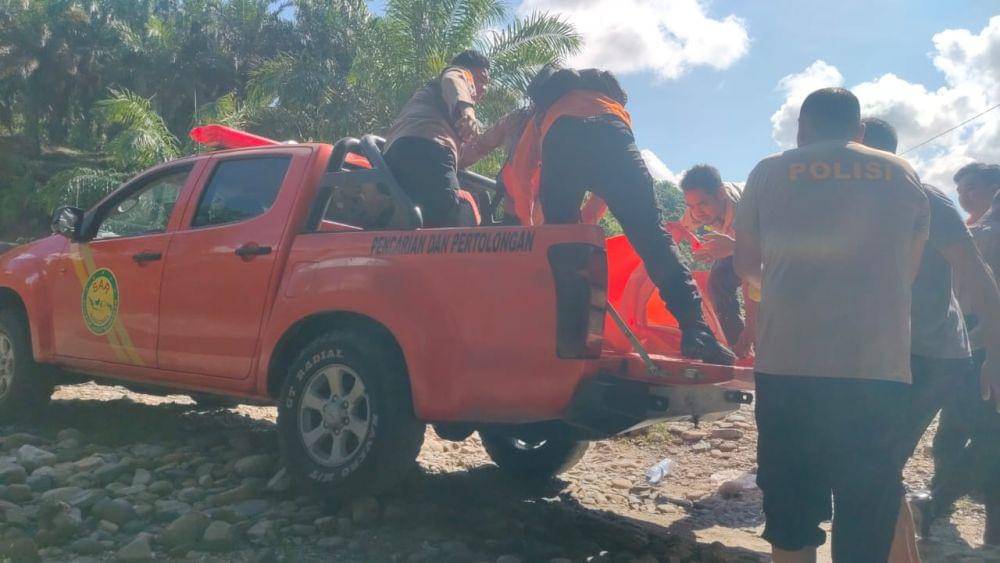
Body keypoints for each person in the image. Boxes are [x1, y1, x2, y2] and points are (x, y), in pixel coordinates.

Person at [734, 88, 930, 562]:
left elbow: (746, 265)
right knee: (867, 504)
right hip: (876, 366)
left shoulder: (768, 171)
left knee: (792, 504)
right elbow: (910, 268)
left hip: (789, 364)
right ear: (860, 131)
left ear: (802, 128)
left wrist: (785, 289)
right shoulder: (902, 173)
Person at [504, 67, 734, 365]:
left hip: (563, 142)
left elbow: (521, 175)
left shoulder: (545, 114)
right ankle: (697, 332)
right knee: (653, 239)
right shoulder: (612, 107)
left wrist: (533, 228)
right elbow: (608, 190)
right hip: (616, 140)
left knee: (563, 248)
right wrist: (582, 227)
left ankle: (567, 338)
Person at [919, 184, 1000, 546]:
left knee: (959, 430)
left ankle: (938, 503)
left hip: (966, 343)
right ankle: (937, 504)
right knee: (990, 438)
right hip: (985, 344)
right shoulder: (987, 238)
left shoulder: (976, 234)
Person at [382, 50, 491, 227]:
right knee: (450, 216)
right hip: (426, 149)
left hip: (400, 154)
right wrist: (468, 111)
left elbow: (461, 160)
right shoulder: (455, 75)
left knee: (423, 220)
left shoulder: (444, 113)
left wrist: (496, 138)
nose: (485, 88)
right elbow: (454, 80)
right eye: (481, 80)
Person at [679, 165, 754, 351]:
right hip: (740, 245)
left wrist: (751, 328)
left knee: (765, 299)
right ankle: (738, 348)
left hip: (775, 250)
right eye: (691, 206)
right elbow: (679, 229)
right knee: (718, 280)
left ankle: (752, 342)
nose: (697, 212)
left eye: (702, 204)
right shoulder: (697, 209)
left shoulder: (744, 213)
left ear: (720, 194)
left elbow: (751, 277)